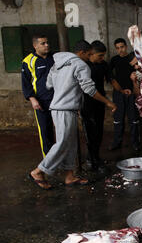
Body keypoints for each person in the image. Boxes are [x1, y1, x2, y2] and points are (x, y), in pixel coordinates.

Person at [29, 40, 117, 190]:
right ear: (82, 53)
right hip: (65, 108)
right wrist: (108, 103)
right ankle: (39, 171)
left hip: (59, 108)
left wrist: (65, 86)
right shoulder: (81, 65)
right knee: (63, 142)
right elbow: (89, 89)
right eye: (89, 54)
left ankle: (69, 176)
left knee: (70, 143)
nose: (90, 57)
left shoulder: (57, 63)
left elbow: (49, 84)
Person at [22, 34, 55, 157]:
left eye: (47, 42)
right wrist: (32, 99)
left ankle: (63, 157)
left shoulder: (55, 57)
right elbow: (25, 83)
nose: (47, 45)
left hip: (58, 99)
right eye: (43, 43)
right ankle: (48, 159)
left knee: (62, 129)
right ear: (35, 46)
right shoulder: (28, 61)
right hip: (41, 101)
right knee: (45, 131)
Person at [80, 40, 111, 172]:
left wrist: (121, 91)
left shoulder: (103, 64)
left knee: (98, 132)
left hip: (99, 102)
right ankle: (91, 160)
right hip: (86, 104)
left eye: (103, 56)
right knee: (90, 133)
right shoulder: (83, 66)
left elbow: (110, 79)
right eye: (99, 55)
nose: (102, 58)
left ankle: (95, 157)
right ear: (91, 53)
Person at [109, 38, 140, 152]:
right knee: (118, 120)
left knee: (134, 120)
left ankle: (135, 143)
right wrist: (118, 88)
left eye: (122, 47)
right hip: (118, 93)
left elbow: (140, 71)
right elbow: (109, 75)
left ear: (126, 46)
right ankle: (117, 142)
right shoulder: (114, 60)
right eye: (117, 48)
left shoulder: (132, 58)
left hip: (132, 93)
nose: (120, 50)